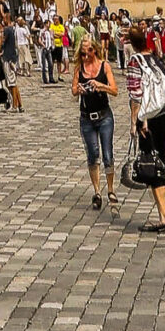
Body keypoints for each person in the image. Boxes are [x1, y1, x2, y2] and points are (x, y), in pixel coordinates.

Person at [134, 40, 165, 231]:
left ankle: (163, 218)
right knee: (164, 163)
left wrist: (137, 121)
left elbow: (138, 95)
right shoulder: (156, 62)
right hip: (164, 115)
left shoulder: (136, 63)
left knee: (153, 167)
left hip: (149, 120)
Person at [72, 27, 118, 210]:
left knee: (107, 154)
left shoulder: (104, 66)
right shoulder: (79, 68)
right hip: (86, 119)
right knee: (92, 155)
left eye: (87, 53)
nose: (85, 57)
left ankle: (111, 189)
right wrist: (79, 90)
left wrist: (100, 85)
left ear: (94, 50)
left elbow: (114, 90)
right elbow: (74, 90)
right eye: (82, 54)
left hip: (105, 116)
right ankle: (97, 192)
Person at [0, 10, 24, 112]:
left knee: (11, 83)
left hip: (8, 59)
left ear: (7, 19)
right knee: (13, 83)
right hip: (13, 57)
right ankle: (20, 105)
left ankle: (15, 105)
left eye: (4, 18)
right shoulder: (13, 29)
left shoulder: (7, 29)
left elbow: (2, 42)